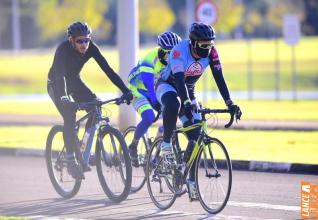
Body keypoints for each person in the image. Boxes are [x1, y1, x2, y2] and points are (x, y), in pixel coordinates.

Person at [155, 22, 242, 200]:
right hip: (168, 85)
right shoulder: (179, 51)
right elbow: (179, 80)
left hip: (189, 89)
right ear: (193, 43)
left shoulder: (212, 52)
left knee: (195, 137)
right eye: (203, 45)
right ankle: (165, 144)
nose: (208, 49)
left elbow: (219, 78)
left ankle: (187, 176)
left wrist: (229, 102)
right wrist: (186, 101)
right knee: (174, 104)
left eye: (210, 44)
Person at [47, 21, 133, 180]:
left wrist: (126, 90)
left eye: (86, 40)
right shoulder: (62, 50)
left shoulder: (91, 48)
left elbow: (109, 71)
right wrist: (65, 98)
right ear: (71, 40)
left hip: (75, 81)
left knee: (96, 106)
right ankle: (71, 158)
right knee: (70, 116)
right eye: (80, 41)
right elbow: (60, 76)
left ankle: (82, 145)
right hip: (57, 85)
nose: (84, 44)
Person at [127, 31, 182, 166]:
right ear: (161, 50)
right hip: (138, 89)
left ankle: (153, 155)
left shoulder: (177, 59)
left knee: (169, 118)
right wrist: (155, 101)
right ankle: (133, 145)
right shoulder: (151, 58)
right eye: (168, 52)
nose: (171, 56)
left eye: (174, 52)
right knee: (149, 117)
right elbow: (149, 85)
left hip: (156, 88)